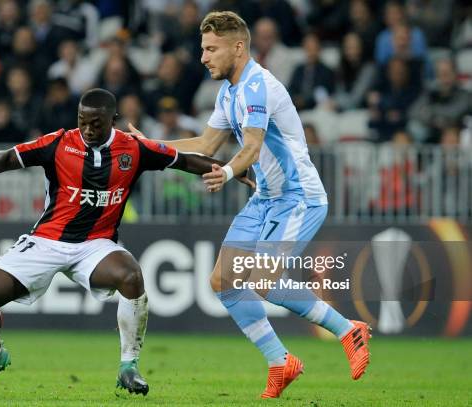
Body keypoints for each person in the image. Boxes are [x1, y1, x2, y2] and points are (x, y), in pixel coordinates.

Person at [129, 11, 371, 399]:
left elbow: (252, 146)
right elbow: (205, 145)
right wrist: (151, 147)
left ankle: (348, 330)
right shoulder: (229, 91)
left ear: (238, 47)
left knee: (261, 280)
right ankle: (281, 362)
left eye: (211, 49)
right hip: (266, 198)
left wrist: (225, 174)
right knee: (223, 282)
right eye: (202, 49)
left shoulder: (258, 86)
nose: (203, 58)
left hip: (298, 198)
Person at [0, 88, 253, 396]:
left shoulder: (134, 149)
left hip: (96, 245)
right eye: (82, 121)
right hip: (47, 240)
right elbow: (8, 157)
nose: (88, 130)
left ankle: (129, 367)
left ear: (112, 120)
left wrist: (234, 169)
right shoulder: (59, 142)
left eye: (96, 124)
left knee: (130, 276)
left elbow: (185, 161)